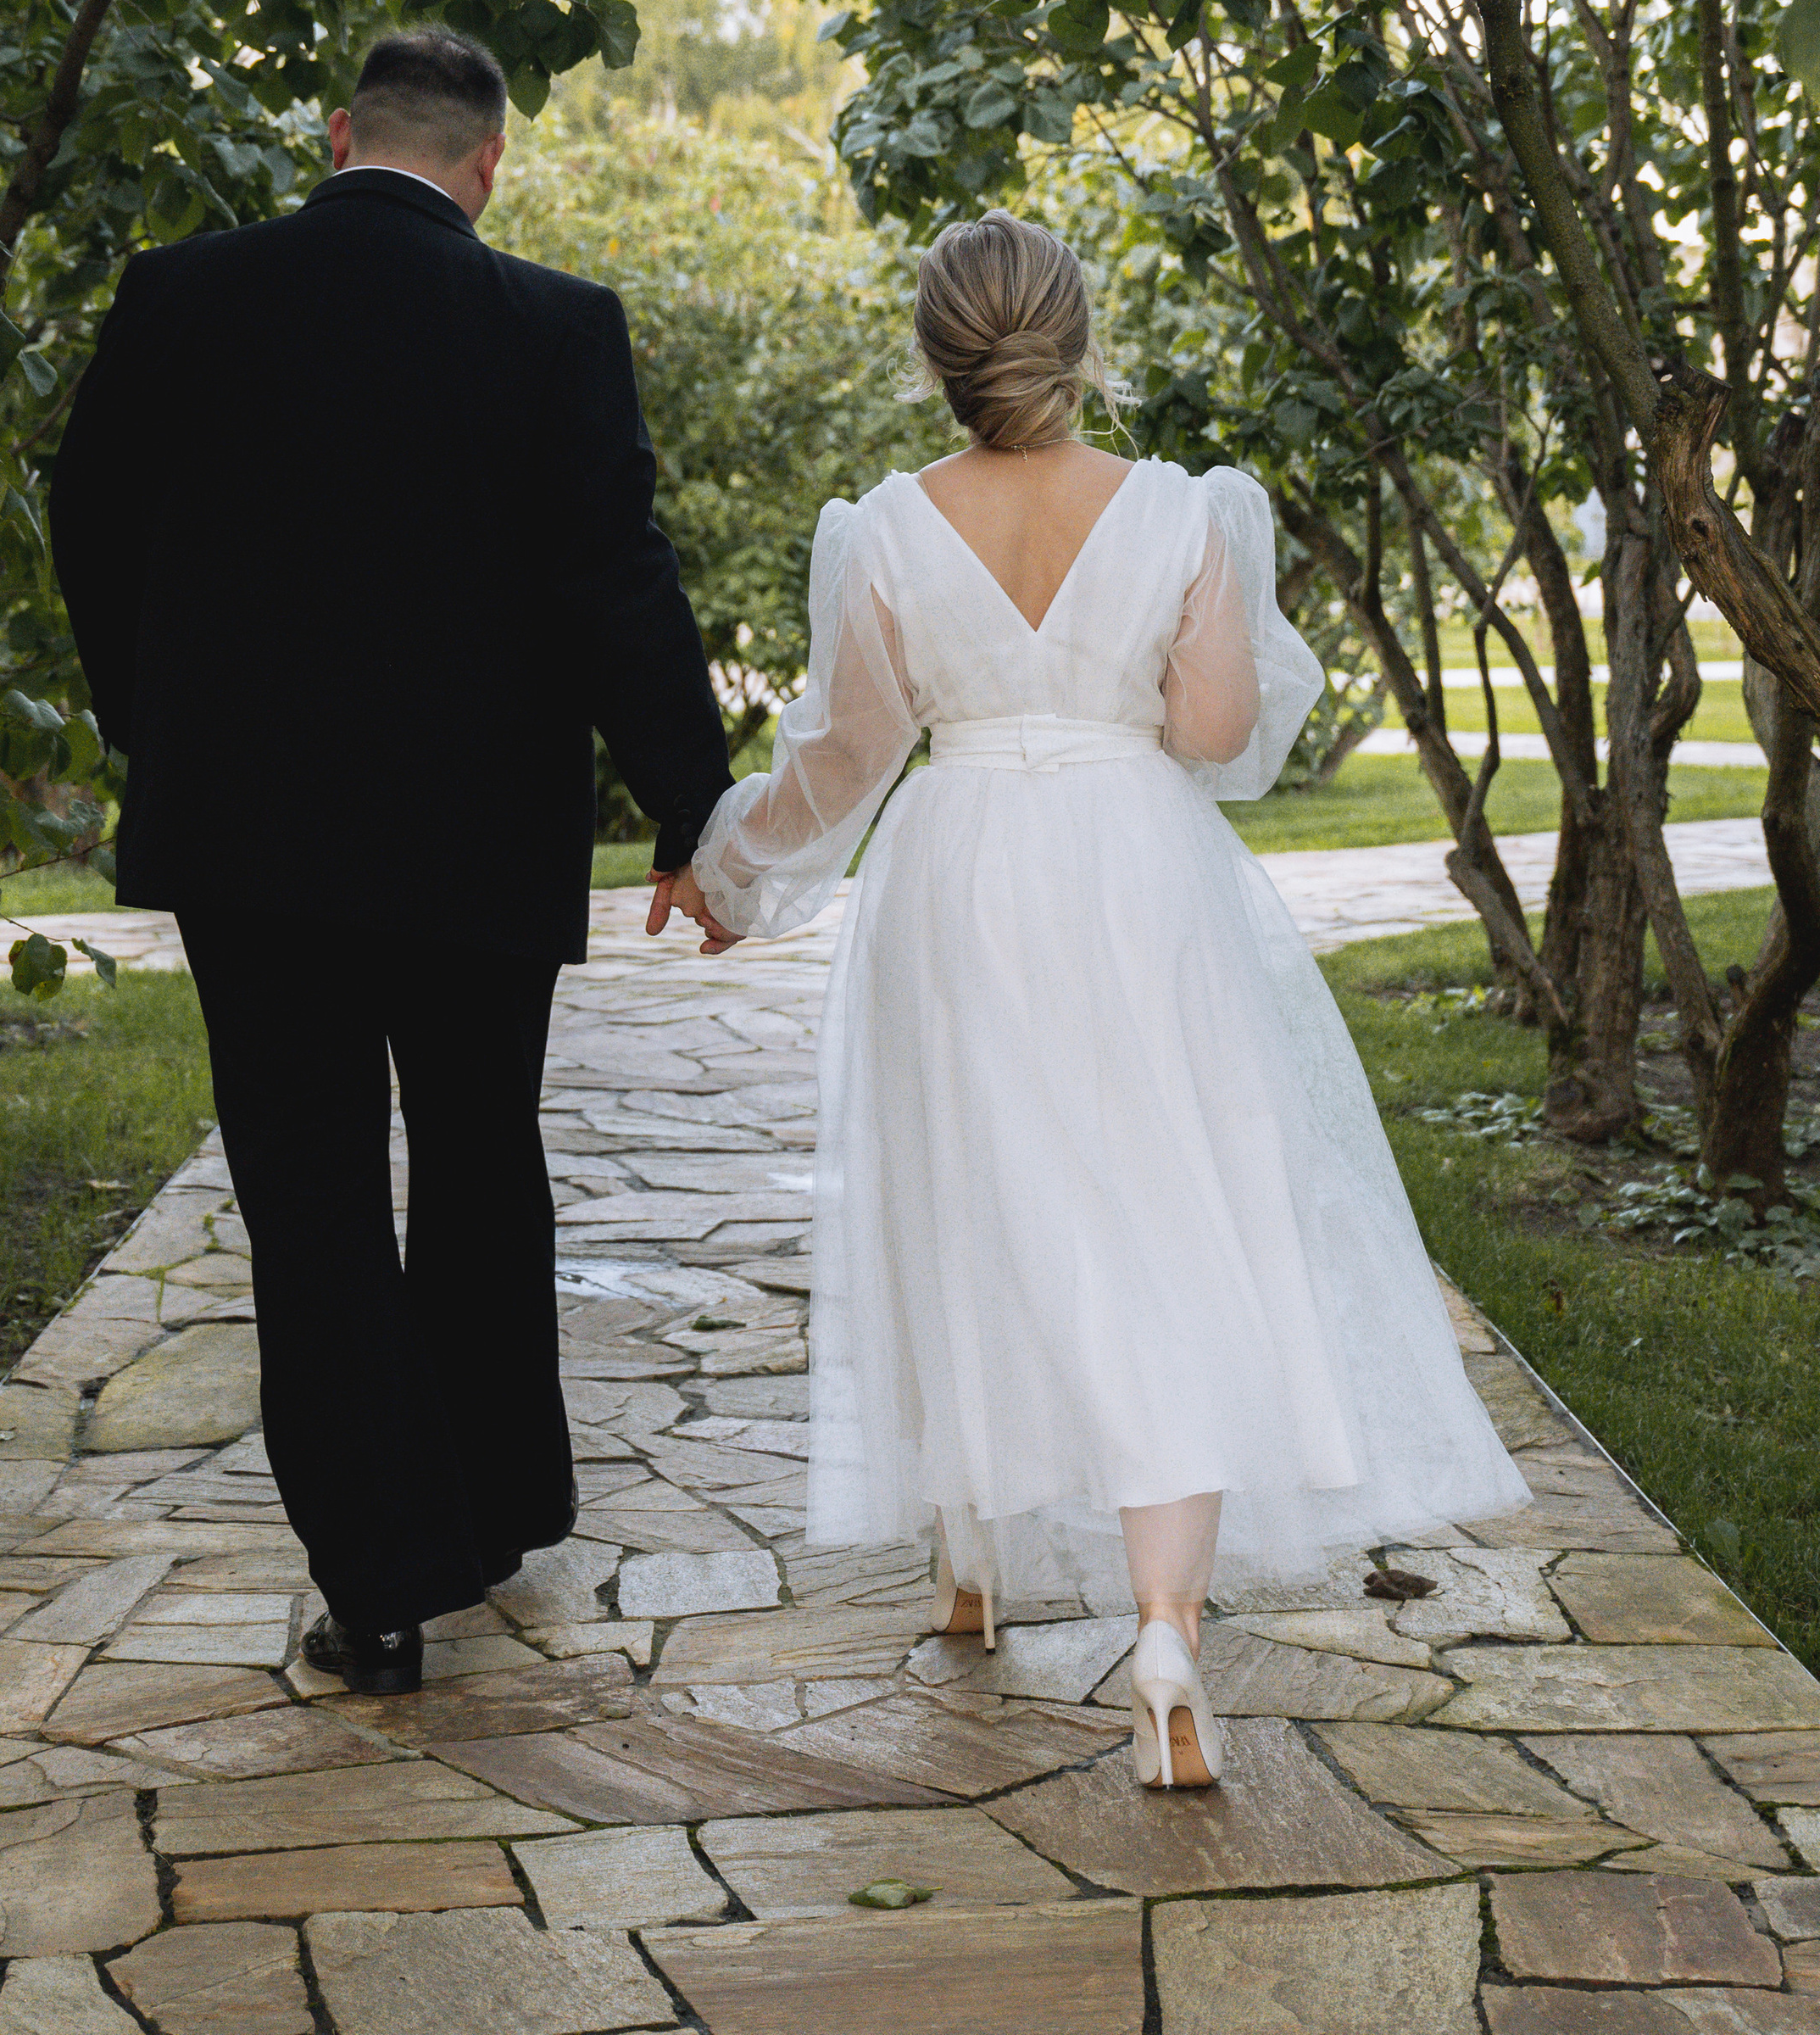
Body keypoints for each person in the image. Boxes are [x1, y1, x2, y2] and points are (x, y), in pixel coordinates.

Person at [651, 210, 1528, 1791]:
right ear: (1080, 338)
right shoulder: (1187, 515)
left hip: (962, 874)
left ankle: (967, 1556)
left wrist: (729, 874)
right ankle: (1168, 1630)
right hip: (1137, 874)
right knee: (1171, 1217)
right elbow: (1213, 728)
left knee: (978, 1204)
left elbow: (847, 762)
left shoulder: (885, 530)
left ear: (939, 355)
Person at [49, 28, 732, 1695]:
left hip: (248, 836)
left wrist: (158, 725)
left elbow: (88, 523)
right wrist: (687, 804)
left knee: (311, 1196)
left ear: (336, 133)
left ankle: (380, 1579)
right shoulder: (552, 327)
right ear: (485, 163)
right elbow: (614, 581)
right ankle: (489, 1505)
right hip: (477, 840)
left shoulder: (180, 295)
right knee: (485, 1162)